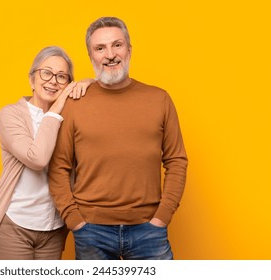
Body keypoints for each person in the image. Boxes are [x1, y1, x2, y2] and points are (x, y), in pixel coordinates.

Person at [48, 17, 188, 260]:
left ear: (130, 50)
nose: (110, 54)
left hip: (149, 229)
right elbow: (58, 166)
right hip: (91, 230)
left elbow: (176, 161)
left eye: (117, 45)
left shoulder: (159, 99)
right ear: (91, 56)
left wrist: (162, 216)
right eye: (100, 48)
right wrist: (75, 220)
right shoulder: (74, 103)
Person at [0, 46, 93, 260]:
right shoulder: (10, 114)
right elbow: (37, 158)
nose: (53, 81)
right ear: (32, 79)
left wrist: (89, 83)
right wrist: (56, 110)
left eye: (61, 77)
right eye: (46, 73)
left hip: (54, 228)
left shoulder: (72, 118)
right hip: (15, 224)